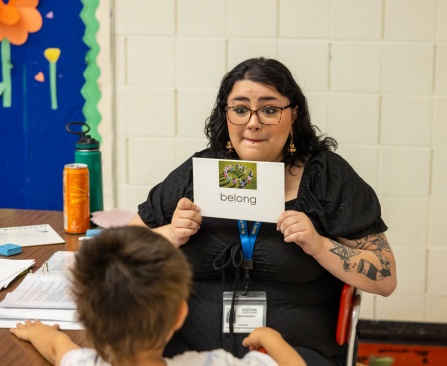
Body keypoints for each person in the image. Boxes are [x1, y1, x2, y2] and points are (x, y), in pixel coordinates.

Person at [128, 57, 398, 366]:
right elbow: (119, 252)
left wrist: (320, 245)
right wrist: (170, 235)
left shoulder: (324, 176)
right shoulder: (202, 172)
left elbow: (385, 277)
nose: (253, 122)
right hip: (188, 351)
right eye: (240, 109)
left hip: (294, 353)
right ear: (225, 114)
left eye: (269, 110)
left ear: (293, 114)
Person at [10, 226, 305, 366]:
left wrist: (38, 331)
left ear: (85, 316)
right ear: (180, 313)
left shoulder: (85, 363)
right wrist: (270, 338)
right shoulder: (211, 363)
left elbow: (57, 347)